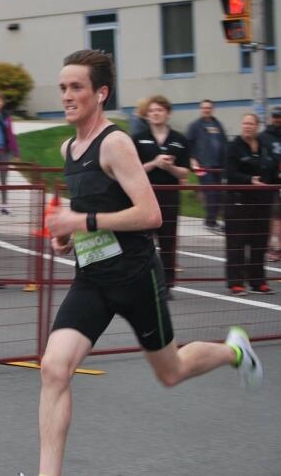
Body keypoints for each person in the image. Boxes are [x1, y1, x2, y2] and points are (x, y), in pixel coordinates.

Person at [38, 50, 263, 476]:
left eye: (77, 87)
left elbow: (151, 215)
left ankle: (234, 351)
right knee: (53, 369)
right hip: (92, 280)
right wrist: (67, 235)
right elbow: (90, 204)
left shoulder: (116, 143)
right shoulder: (71, 147)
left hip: (135, 277)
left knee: (171, 372)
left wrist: (81, 219)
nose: (67, 95)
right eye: (63, 87)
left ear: (100, 93)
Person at [132, 95, 190, 292]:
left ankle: (167, 284)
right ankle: (142, 282)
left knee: (168, 240)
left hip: (169, 195)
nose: (155, 114)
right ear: (147, 115)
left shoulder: (179, 140)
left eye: (159, 110)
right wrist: (154, 163)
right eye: (151, 111)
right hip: (145, 194)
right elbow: (132, 169)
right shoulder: (138, 138)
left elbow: (185, 171)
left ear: (167, 113)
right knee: (142, 240)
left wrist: (170, 168)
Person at [224, 113, 277, 295]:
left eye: (251, 124)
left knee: (259, 242)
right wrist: (249, 180)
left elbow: (271, 169)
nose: (247, 126)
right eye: (245, 123)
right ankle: (236, 283)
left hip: (262, 202)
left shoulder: (265, 147)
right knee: (237, 243)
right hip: (239, 202)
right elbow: (229, 173)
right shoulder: (233, 147)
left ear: (257, 126)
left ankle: (257, 281)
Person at [187, 99, 228, 233]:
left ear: (212, 109)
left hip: (218, 166)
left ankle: (213, 220)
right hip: (202, 166)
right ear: (200, 109)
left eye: (209, 107)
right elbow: (189, 145)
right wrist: (192, 160)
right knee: (211, 192)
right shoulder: (195, 126)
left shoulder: (218, 125)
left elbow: (224, 144)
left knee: (219, 193)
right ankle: (210, 222)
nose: (206, 110)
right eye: (204, 108)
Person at [259, 107, 281, 261]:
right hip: (270, 182)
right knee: (272, 216)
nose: (277, 119)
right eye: (275, 116)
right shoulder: (264, 136)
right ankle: (272, 248)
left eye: (279, 117)